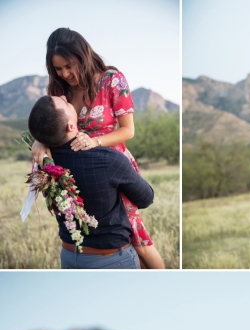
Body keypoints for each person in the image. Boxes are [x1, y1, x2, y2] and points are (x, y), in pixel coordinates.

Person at [30, 28, 165, 269]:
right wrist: (40, 140)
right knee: (87, 229)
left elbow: (128, 131)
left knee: (137, 238)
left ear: (82, 56)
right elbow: (50, 122)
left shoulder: (112, 80)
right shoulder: (59, 90)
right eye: (58, 69)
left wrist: (95, 142)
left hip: (111, 165)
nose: (65, 73)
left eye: (68, 66)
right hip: (75, 172)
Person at [27, 94, 153, 269]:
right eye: (63, 102)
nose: (65, 96)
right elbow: (146, 198)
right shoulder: (109, 159)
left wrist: (39, 140)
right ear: (70, 126)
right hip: (113, 260)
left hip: (69, 257)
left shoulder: (44, 163)